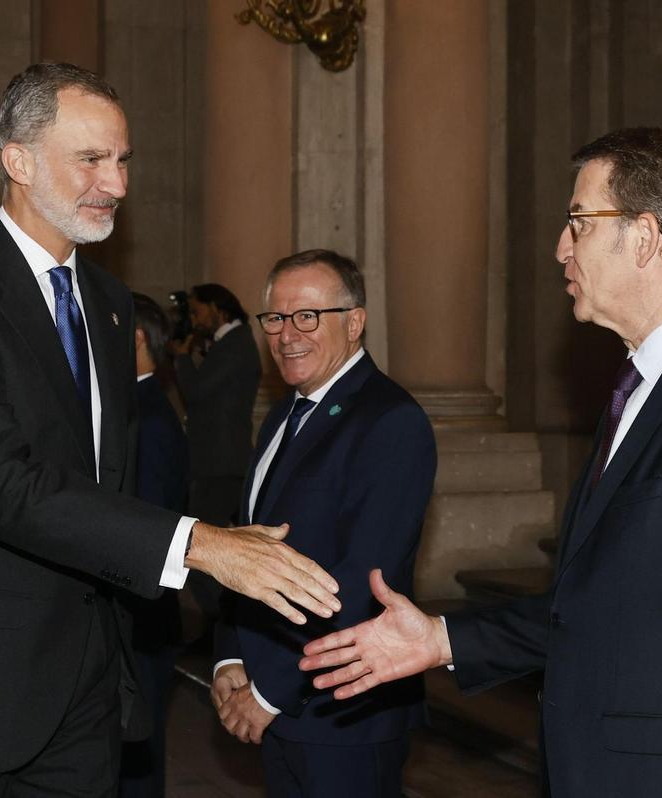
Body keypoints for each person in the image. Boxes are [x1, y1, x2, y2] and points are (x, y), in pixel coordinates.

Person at [300, 128, 662, 797]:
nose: (560, 247)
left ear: (644, 238)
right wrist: (440, 640)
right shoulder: (648, 384)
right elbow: (596, 612)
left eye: (577, 222)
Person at [0, 62, 340, 796]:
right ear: (17, 161)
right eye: (91, 159)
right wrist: (202, 545)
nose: (116, 184)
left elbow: (106, 480)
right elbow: (6, 486)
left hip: (86, 689)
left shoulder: (111, 305)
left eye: (122, 161)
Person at [213, 250, 436, 798]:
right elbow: (248, 548)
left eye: (308, 316)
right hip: (277, 699)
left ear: (354, 322)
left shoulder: (391, 420)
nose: (288, 334)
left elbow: (362, 580)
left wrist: (268, 693)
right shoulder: (282, 416)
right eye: (275, 318)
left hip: (344, 714)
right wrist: (231, 655)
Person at [118, 291, 188, 798]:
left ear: (137, 339)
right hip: (136, 616)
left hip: (142, 618)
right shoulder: (135, 408)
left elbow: (149, 526)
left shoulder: (151, 419)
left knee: (138, 756)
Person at [171, 282, 261, 629]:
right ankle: (227, 623)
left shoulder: (236, 345)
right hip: (219, 463)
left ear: (217, 307)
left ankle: (222, 625)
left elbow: (195, 391)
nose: (194, 320)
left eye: (197, 311)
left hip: (221, 464)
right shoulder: (227, 344)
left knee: (195, 551)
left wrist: (181, 356)